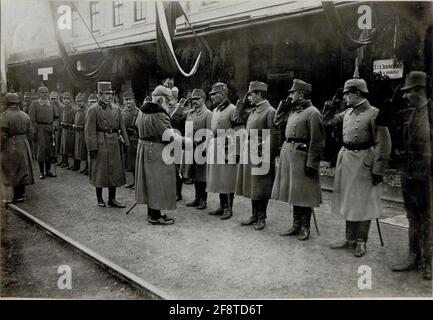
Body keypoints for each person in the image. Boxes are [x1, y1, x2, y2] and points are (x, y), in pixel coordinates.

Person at [323, 78, 392, 257]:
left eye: (347, 94)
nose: (345, 97)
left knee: (362, 203)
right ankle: (349, 239)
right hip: (346, 160)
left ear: (357, 93)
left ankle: (361, 241)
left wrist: (378, 170)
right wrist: (331, 103)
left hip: (363, 162)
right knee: (348, 200)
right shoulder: (347, 113)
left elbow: (383, 144)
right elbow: (326, 122)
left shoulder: (373, 113)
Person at [387, 71, 432, 280]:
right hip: (409, 175)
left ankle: (427, 262)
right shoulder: (407, 114)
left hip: (428, 178)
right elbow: (383, 121)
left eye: (408, 92)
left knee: (428, 219)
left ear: (420, 91)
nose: (404, 96)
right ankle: (413, 257)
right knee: (412, 218)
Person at [272, 79, 324, 240]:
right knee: (294, 192)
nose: (291, 95)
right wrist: (284, 104)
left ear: (301, 95)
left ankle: (305, 227)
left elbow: (317, 140)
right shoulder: (293, 111)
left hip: (302, 156)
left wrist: (312, 163)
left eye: (293, 93)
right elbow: (277, 121)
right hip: (289, 154)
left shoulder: (313, 112)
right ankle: (296, 225)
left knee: (304, 193)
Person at [234, 81, 280, 230]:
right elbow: (237, 118)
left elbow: (274, 136)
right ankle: (254, 214)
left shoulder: (270, 111)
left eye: (251, 95)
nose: (249, 98)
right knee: (254, 184)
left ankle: (262, 216)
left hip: (262, 153)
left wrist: (267, 155)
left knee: (262, 185)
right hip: (250, 150)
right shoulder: (253, 111)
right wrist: (241, 103)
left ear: (259, 95)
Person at [135, 85, 179, 225]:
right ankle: (157, 216)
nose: (170, 103)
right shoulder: (159, 114)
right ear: (160, 99)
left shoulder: (142, 111)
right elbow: (170, 135)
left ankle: (151, 214)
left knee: (150, 183)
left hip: (144, 149)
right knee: (159, 183)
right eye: (168, 100)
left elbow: (136, 126)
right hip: (157, 151)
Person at [85, 82, 129, 208]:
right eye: (106, 94)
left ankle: (112, 199)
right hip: (101, 142)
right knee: (100, 171)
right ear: (99, 95)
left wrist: (126, 142)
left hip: (114, 142)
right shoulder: (93, 110)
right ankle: (99, 198)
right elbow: (89, 131)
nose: (109, 96)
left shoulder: (116, 109)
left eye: (110, 94)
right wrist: (92, 147)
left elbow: (122, 127)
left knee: (114, 171)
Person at [207, 82, 244, 220]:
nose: (212, 97)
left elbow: (239, 131)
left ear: (222, 94)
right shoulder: (216, 110)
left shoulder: (232, 109)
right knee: (219, 177)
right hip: (216, 147)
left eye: (214, 94)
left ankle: (229, 208)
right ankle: (222, 205)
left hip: (228, 148)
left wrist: (235, 151)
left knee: (228, 178)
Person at [174, 89, 213, 209]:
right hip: (190, 147)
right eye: (193, 99)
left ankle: (203, 200)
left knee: (202, 175)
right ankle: (197, 198)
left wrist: (205, 148)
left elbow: (210, 133)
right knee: (194, 174)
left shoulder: (208, 114)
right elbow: (174, 118)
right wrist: (182, 105)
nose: (195, 101)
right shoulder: (190, 113)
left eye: (198, 99)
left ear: (204, 99)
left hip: (201, 147)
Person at [0, 93, 34, 203]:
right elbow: (30, 134)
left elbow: (3, 135)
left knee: (11, 168)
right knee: (23, 169)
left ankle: (11, 196)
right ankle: (21, 194)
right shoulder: (25, 115)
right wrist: (26, 143)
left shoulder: (5, 116)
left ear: (7, 103)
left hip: (11, 144)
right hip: (24, 144)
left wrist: (1, 146)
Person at [29, 86, 59, 179]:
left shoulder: (52, 104)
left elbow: (57, 117)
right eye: (42, 93)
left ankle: (48, 170)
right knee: (41, 151)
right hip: (40, 130)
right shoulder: (35, 105)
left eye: (46, 92)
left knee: (50, 150)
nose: (45, 95)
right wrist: (34, 132)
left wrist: (54, 125)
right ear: (39, 94)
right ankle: (42, 172)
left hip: (50, 129)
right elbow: (31, 120)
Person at [122, 90, 139, 188]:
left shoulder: (137, 112)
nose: (128, 102)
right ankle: (132, 181)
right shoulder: (123, 112)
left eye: (130, 100)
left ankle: (137, 183)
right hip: (125, 139)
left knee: (135, 162)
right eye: (126, 100)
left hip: (134, 139)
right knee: (129, 162)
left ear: (133, 100)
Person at [59, 92, 78, 169]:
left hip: (71, 131)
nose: (66, 101)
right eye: (64, 99)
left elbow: (75, 122)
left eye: (68, 99)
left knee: (71, 147)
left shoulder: (73, 110)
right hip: (64, 130)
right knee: (63, 146)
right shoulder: (63, 109)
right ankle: (64, 161)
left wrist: (68, 125)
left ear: (71, 100)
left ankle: (74, 164)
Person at [73, 93, 88, 174]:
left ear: (84, 101)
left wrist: (80, 127)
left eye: (80, 101)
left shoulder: (87, 111)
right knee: (79, 150)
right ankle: (79, 166)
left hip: (84, 133)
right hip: (78, 133)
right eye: (77, 101)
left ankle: (88, 167)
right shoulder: (78, 111)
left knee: (85, 150)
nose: (79, 103)